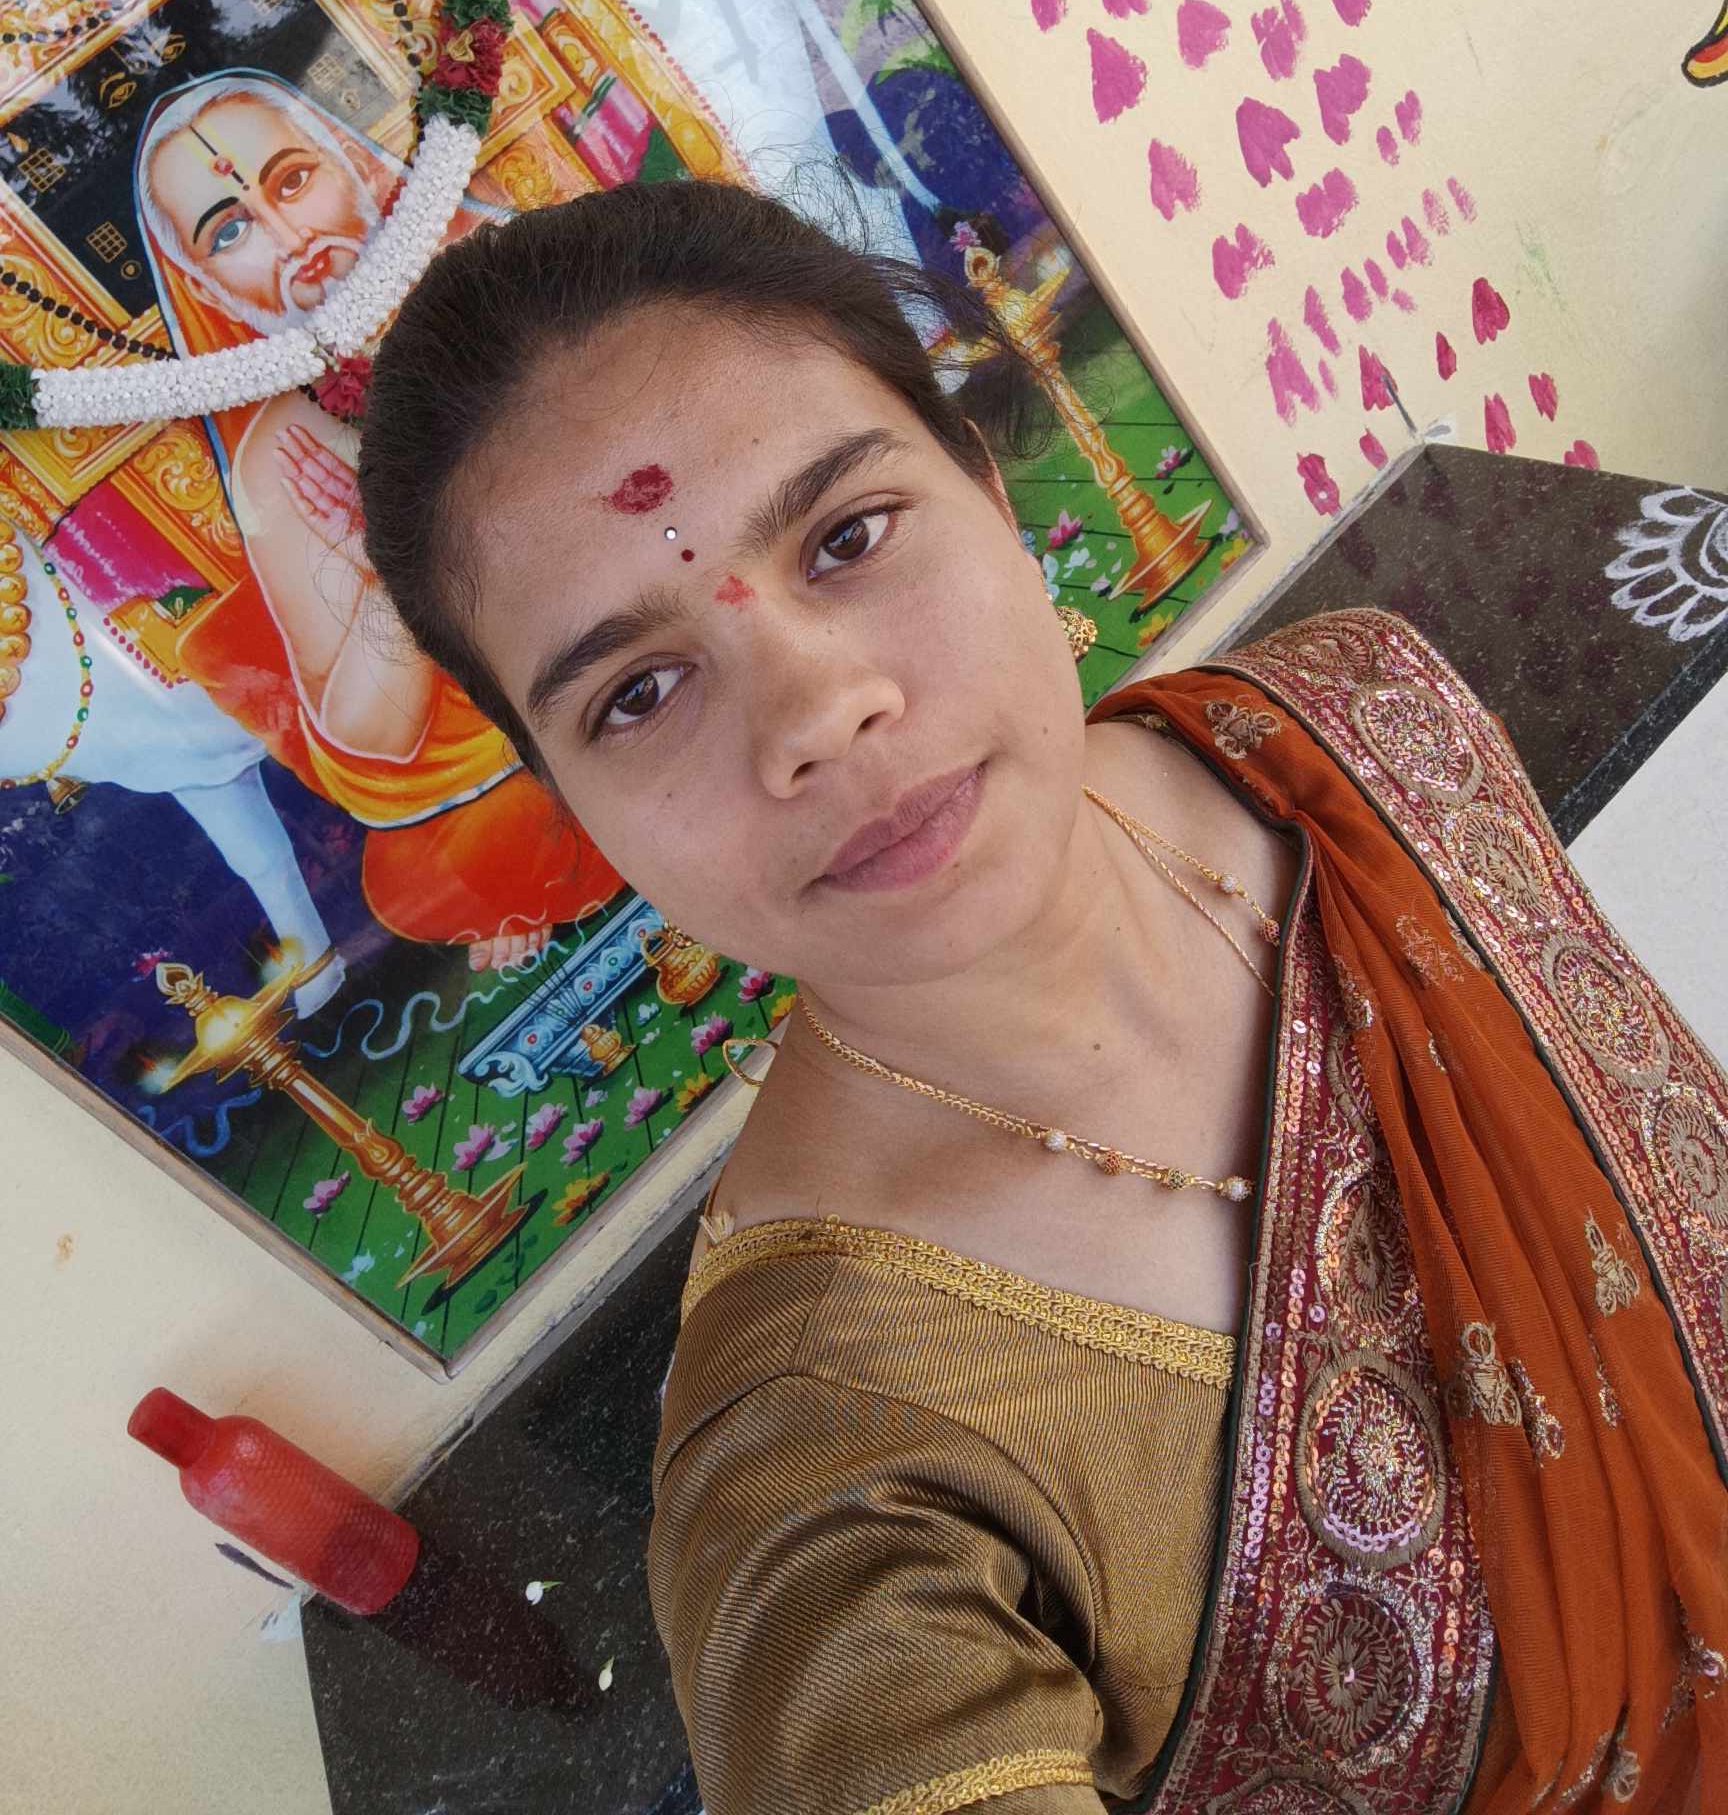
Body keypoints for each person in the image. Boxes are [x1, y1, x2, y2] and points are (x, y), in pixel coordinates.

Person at [356, 179, 1727, 1815]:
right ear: (578, 813)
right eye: (638, 691)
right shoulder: (822, 1474)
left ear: (990, 488)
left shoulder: (1353, 717)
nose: (817, 711)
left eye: (847, 536)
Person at [135, 68, 621, 968]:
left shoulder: (504, 263)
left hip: (658, 620)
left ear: (349, 161)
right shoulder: (285, 448)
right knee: (464, 857)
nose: (289, 238)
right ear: (207, 284)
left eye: (292, 181)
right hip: (513, 755)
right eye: (231, 231)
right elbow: (374, 741)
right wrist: (386, 567)